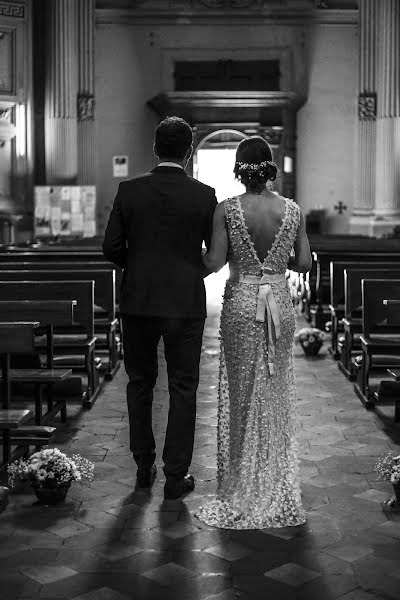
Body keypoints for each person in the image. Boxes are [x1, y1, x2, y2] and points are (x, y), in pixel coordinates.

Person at [195, 136, 312, 529]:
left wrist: (185, 255)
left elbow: (213, 261)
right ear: (270, 166)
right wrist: (277, 264)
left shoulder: (226, 209)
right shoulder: (292, 210)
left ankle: (242, 484)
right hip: (277, 298)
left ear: (239, 168)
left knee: (244, 390)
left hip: (242, 302)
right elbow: (305, 262)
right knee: (275, 387)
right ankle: (273, 478)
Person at [102, 116, 217, 500]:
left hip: (139, 300)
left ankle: (142, 465)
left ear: (155, 148)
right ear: (189, 151)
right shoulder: (203, 194)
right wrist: (189, 271)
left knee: (140, 383)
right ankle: (175, 474)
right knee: (184, 386)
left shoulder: (129, 191)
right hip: (184, 301)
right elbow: (212, 252)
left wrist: (139, 267)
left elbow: (111, 248)